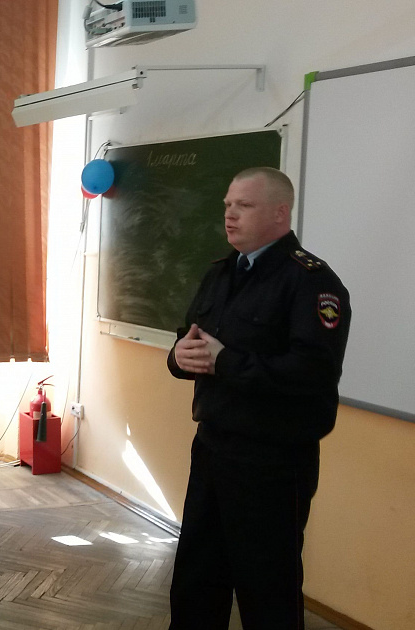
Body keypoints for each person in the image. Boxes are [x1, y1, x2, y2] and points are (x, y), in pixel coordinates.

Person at [166, 167, 351, 629]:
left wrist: (226, 362)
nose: (229, 215)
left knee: (267, 590)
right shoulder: (220, 272)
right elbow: (190, 340)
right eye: (228, 205)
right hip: (212, 449)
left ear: (279, 213)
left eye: (243, 206)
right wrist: (177, 356)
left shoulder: (311, 282)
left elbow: (312, 372)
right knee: (195, 581)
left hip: (272, 461)